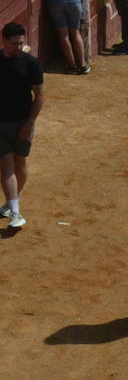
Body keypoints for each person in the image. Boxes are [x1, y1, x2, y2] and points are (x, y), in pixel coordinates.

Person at [0, 22, 43, 230]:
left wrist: (30, 123)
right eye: (14, 44)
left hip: (22, 122)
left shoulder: (31, 64)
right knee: (6, 165)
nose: (18, 47)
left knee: (21, 162)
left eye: (21, 43)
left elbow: (40, 96)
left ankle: (11, 202)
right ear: (4, 42)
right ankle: (15, 214)